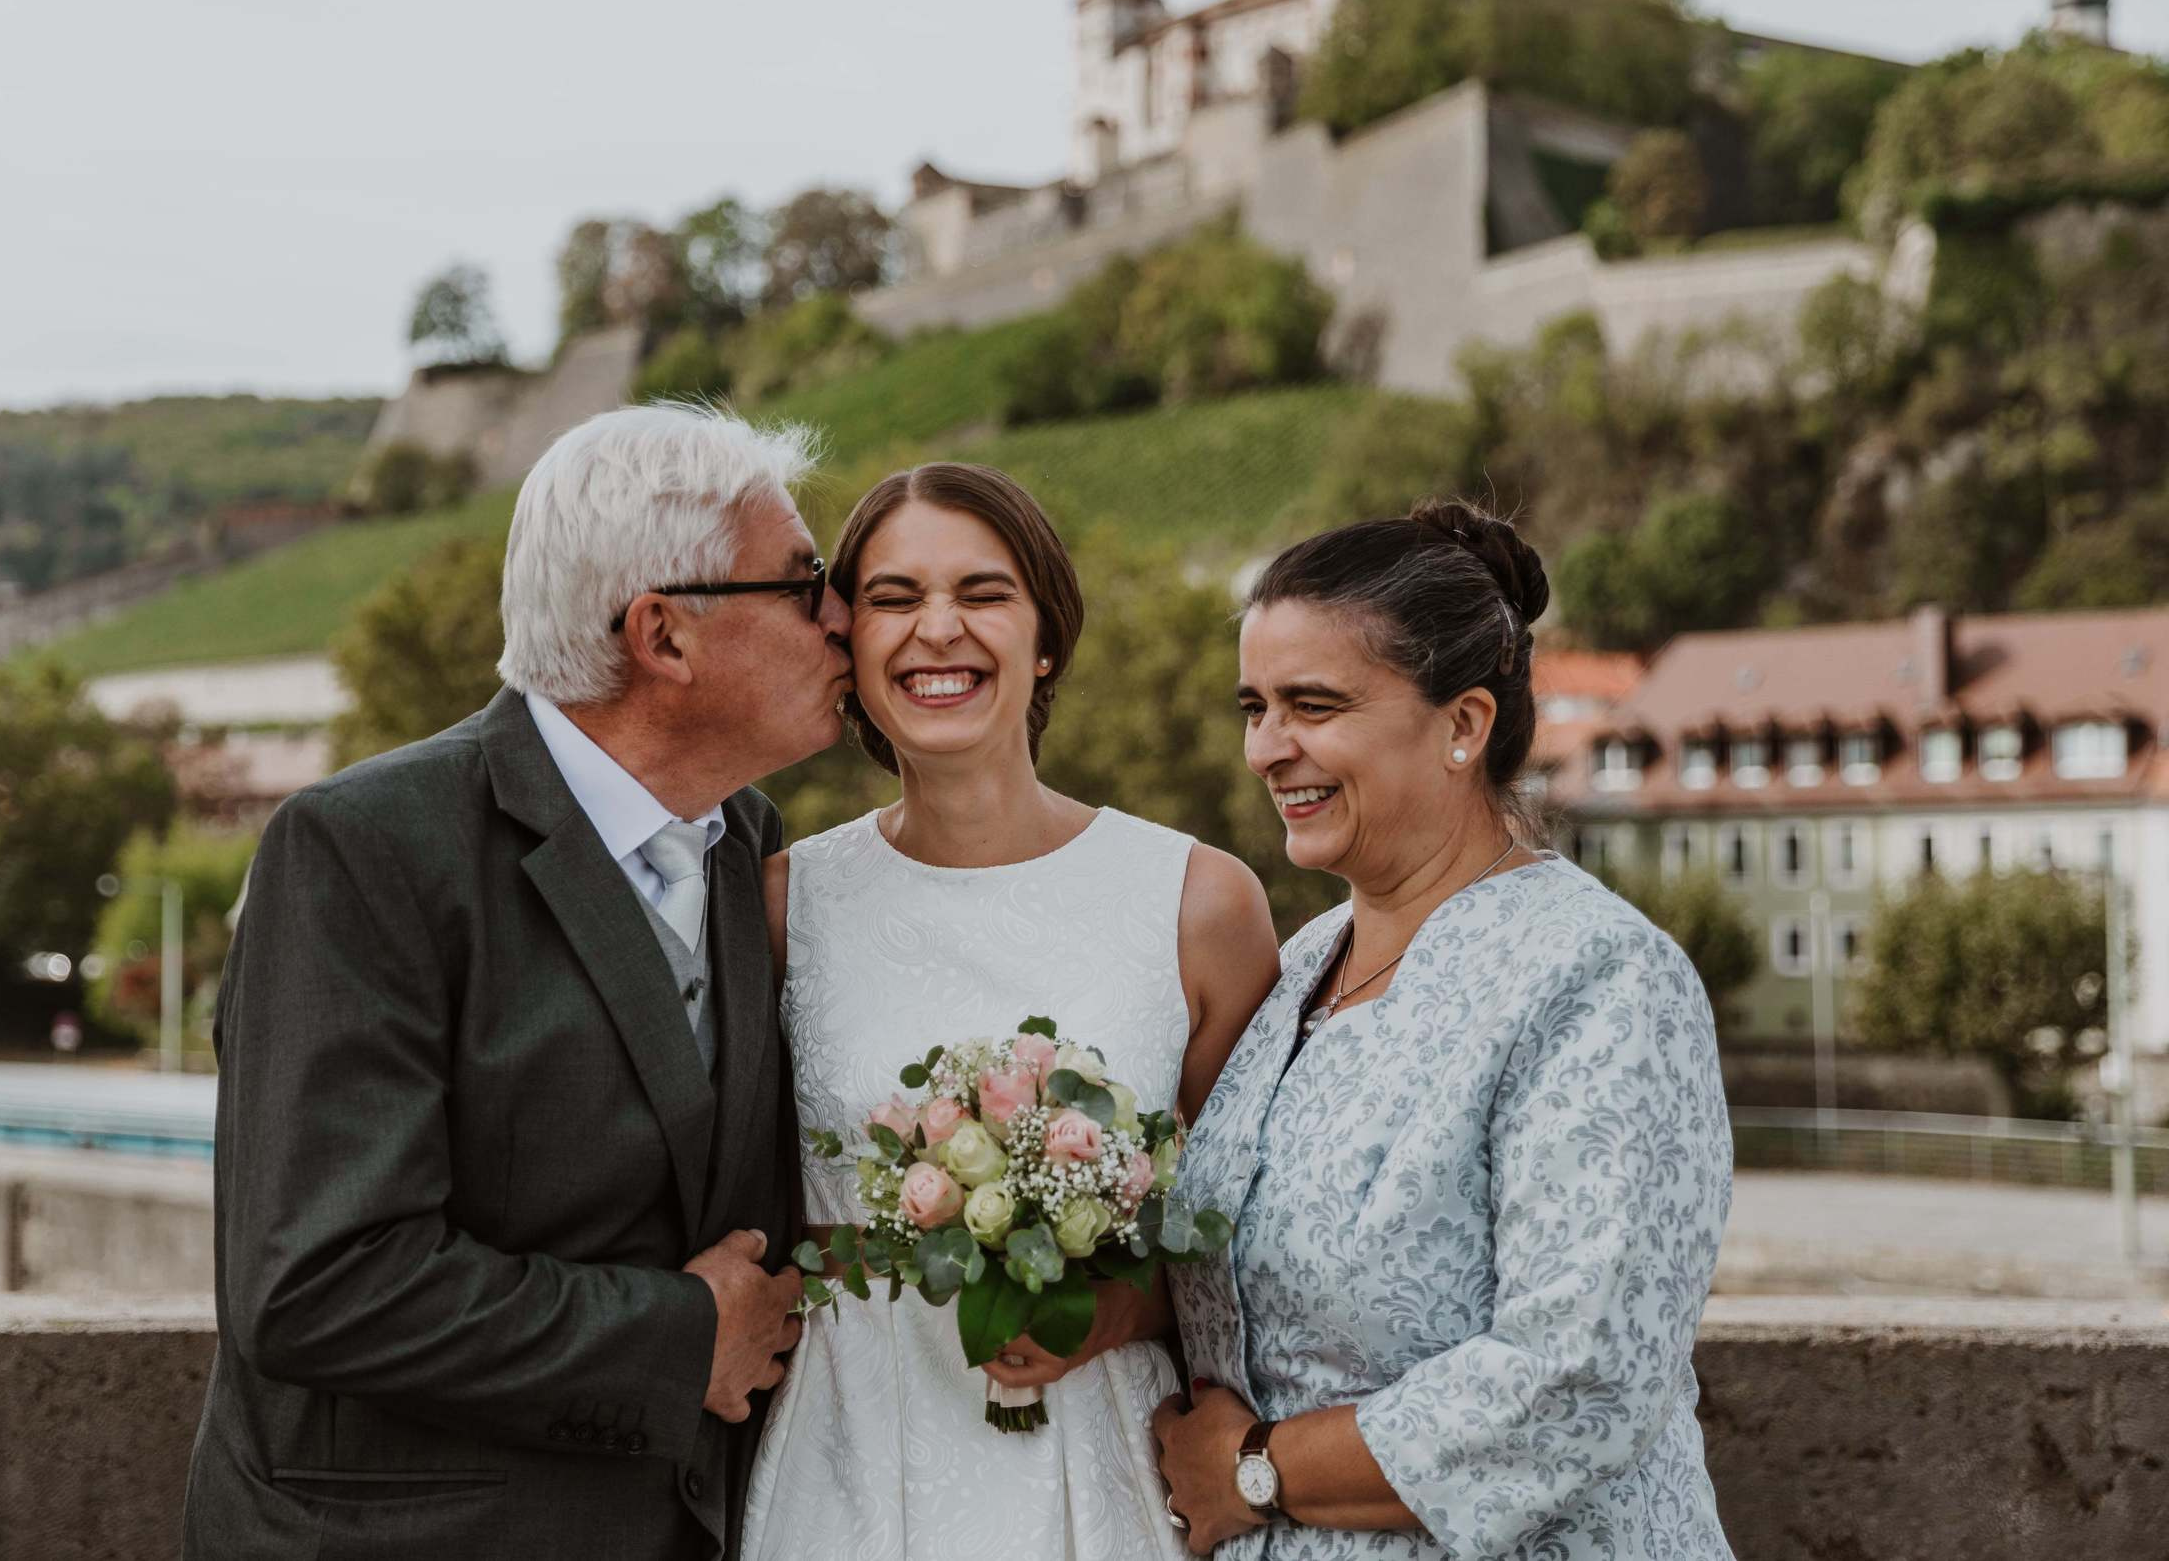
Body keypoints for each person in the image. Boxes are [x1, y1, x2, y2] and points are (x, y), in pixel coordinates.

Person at [182, 403, 854, 1560]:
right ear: (664, 635)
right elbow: (319, 1283)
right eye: (803, 583)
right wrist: (678, 1339)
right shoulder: (362, 850)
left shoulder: (747, 839)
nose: (843, 618)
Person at [1153, 501, 1734, 1559]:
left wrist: (1258, 1469)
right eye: (1255, 707)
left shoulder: (1600, 978)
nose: (1267, 750)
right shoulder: (1291, 973)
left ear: (1463, 724)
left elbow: (1582, 1372)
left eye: (1313, 706)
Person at [740, 463, 1280, 1561]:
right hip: (849, 1457)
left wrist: (1109, 1309)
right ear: (849, 646)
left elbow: (1264, 1240)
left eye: (982, 594)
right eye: (893, 598)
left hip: (1104, 1462)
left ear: (1044, 641)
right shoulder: (781, 907)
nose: (937, 629)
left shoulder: (1199, 900)